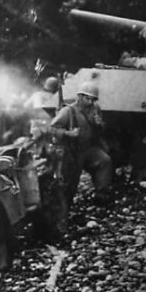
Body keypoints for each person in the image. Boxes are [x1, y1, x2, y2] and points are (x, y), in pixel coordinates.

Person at [49, 81, 112, 234]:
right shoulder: (68, 111)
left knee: (104, 161)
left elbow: (102, 129)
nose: (91, 102)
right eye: (88, 98)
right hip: (72, 151)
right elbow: (51, 128)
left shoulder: (95, 109)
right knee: (69, 184)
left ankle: (101, 196)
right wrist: (68, 134)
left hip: (88, 148)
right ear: (80, 96)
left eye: (93, 99)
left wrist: (100, 124)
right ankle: (62, 219)